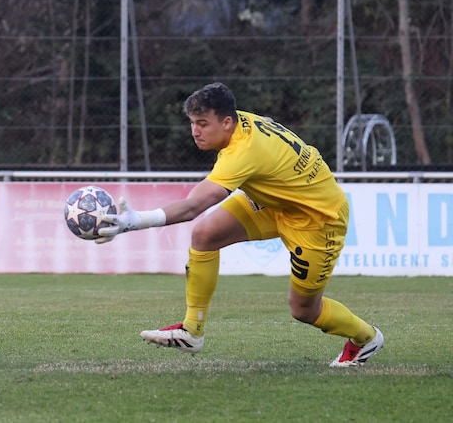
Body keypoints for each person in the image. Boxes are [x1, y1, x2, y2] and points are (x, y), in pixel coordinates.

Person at [97, 82, 384, 367]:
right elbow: (269, 124)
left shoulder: (242, 152)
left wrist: (136, 221)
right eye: (193, 123)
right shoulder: (240, 121)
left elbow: (194, 205)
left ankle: (366, 338)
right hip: (277, 203)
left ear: (226, 122)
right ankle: (191, 331)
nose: (195, 131)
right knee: (206, 235)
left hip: (318, 219)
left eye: (203, 123)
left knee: (304, 310)